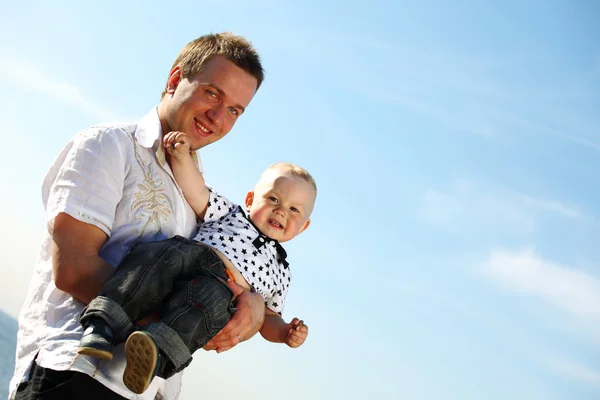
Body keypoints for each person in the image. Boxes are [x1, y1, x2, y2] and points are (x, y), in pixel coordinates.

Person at [10, 32, 267, 400]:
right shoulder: (109, 145)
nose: (218, 116)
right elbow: (75, 268)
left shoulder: (202, 200)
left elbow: (224, 274)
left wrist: (251, 309)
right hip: (74, 372)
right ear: (175, 80)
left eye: (234, 110)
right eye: (212, 93)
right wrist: (182, 325)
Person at [78, 135, 315, 393]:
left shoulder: (281, 271)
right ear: (250, 200)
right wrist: (181, 158)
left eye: (294, 210)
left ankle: (154, 354)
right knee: (153, 260)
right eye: (273, 199)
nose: (281, 211)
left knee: (203, 312)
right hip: (189, 255)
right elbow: (197, 191)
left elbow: (268, 317)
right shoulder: (230, 213)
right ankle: (103, 324)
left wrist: (283, 334)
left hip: (221, 289)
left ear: (303, 227)